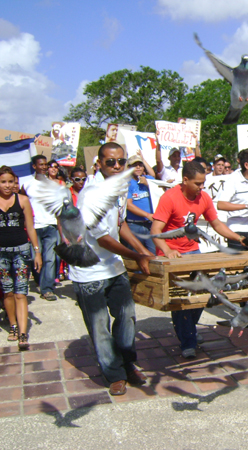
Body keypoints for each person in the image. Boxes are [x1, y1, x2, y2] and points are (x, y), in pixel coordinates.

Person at [69, 142, 155, 396]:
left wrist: (144, 250)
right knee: (99, 325)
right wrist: (136, 255)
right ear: (99, 164)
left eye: (121, 161)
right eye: (110, 162)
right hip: (89, 272)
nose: (117, 166)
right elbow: (103, 238)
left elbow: (121, 224)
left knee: (127, 317)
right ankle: (114, 373)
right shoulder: (91, 194)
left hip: (114, 268)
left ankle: (128, 363)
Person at [151, 161, 244, 358]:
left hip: (194, 252)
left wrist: (239, 238)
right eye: (198, 183)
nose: (202, 187)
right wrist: (168, 251)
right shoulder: (169, 198)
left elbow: (217, 224)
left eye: (203, 183)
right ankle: (188, 342)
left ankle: (188, 332)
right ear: (185, 180)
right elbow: (155, 231)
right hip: (173, 255)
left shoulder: (204, 197)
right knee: (183, 300)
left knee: (203, 295)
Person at [0, 166, 42, 349]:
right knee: (7, 291)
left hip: (21, 250)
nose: (8, 185)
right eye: (3, 182)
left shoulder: (23, 200)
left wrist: (37, 251)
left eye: (10, 181)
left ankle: (23, 333)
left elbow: (31, 228)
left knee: (20, 292)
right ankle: (13, 326)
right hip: (1, 253)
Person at [22, 155, 59, 301]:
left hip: (50, 226)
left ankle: (47, 289)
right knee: (35, 258)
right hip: (34, 227)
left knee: (50, 259)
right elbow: (21, 203)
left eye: (46, 164)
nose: (44, 167)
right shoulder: (27, 185)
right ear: (34, 166)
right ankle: (39, 280)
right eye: (41, 164)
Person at [217, 148, 248, 249]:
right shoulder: (233, 180)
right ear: (246, 165)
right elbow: (221, 204)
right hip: (237, 230)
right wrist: (247, 206)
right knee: (240, 264)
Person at [126, 154, 156, 254]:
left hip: (150, 225)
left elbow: (155, 178)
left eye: (140, 165)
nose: (138, 167)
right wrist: (147, 215)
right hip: (134, 225)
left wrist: (148, 184)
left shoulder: (148, 179)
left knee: (154, 255)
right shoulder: (126, 183)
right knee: (137, 256)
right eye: (135, 165)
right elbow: (129, 205)